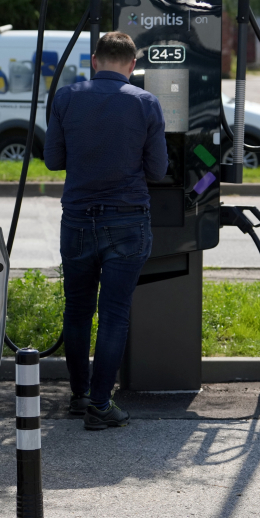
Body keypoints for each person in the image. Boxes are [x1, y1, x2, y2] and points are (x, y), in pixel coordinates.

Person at [44, 31, 168, 431]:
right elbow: (158, 170)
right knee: (114, 314)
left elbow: (53, 160)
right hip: (128, 221)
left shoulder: (66, 98)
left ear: (94, 60)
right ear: (132, 65)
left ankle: (79, 396)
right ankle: (100, 405)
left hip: (78, 219)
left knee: (78, 309)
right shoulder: (146, 103)